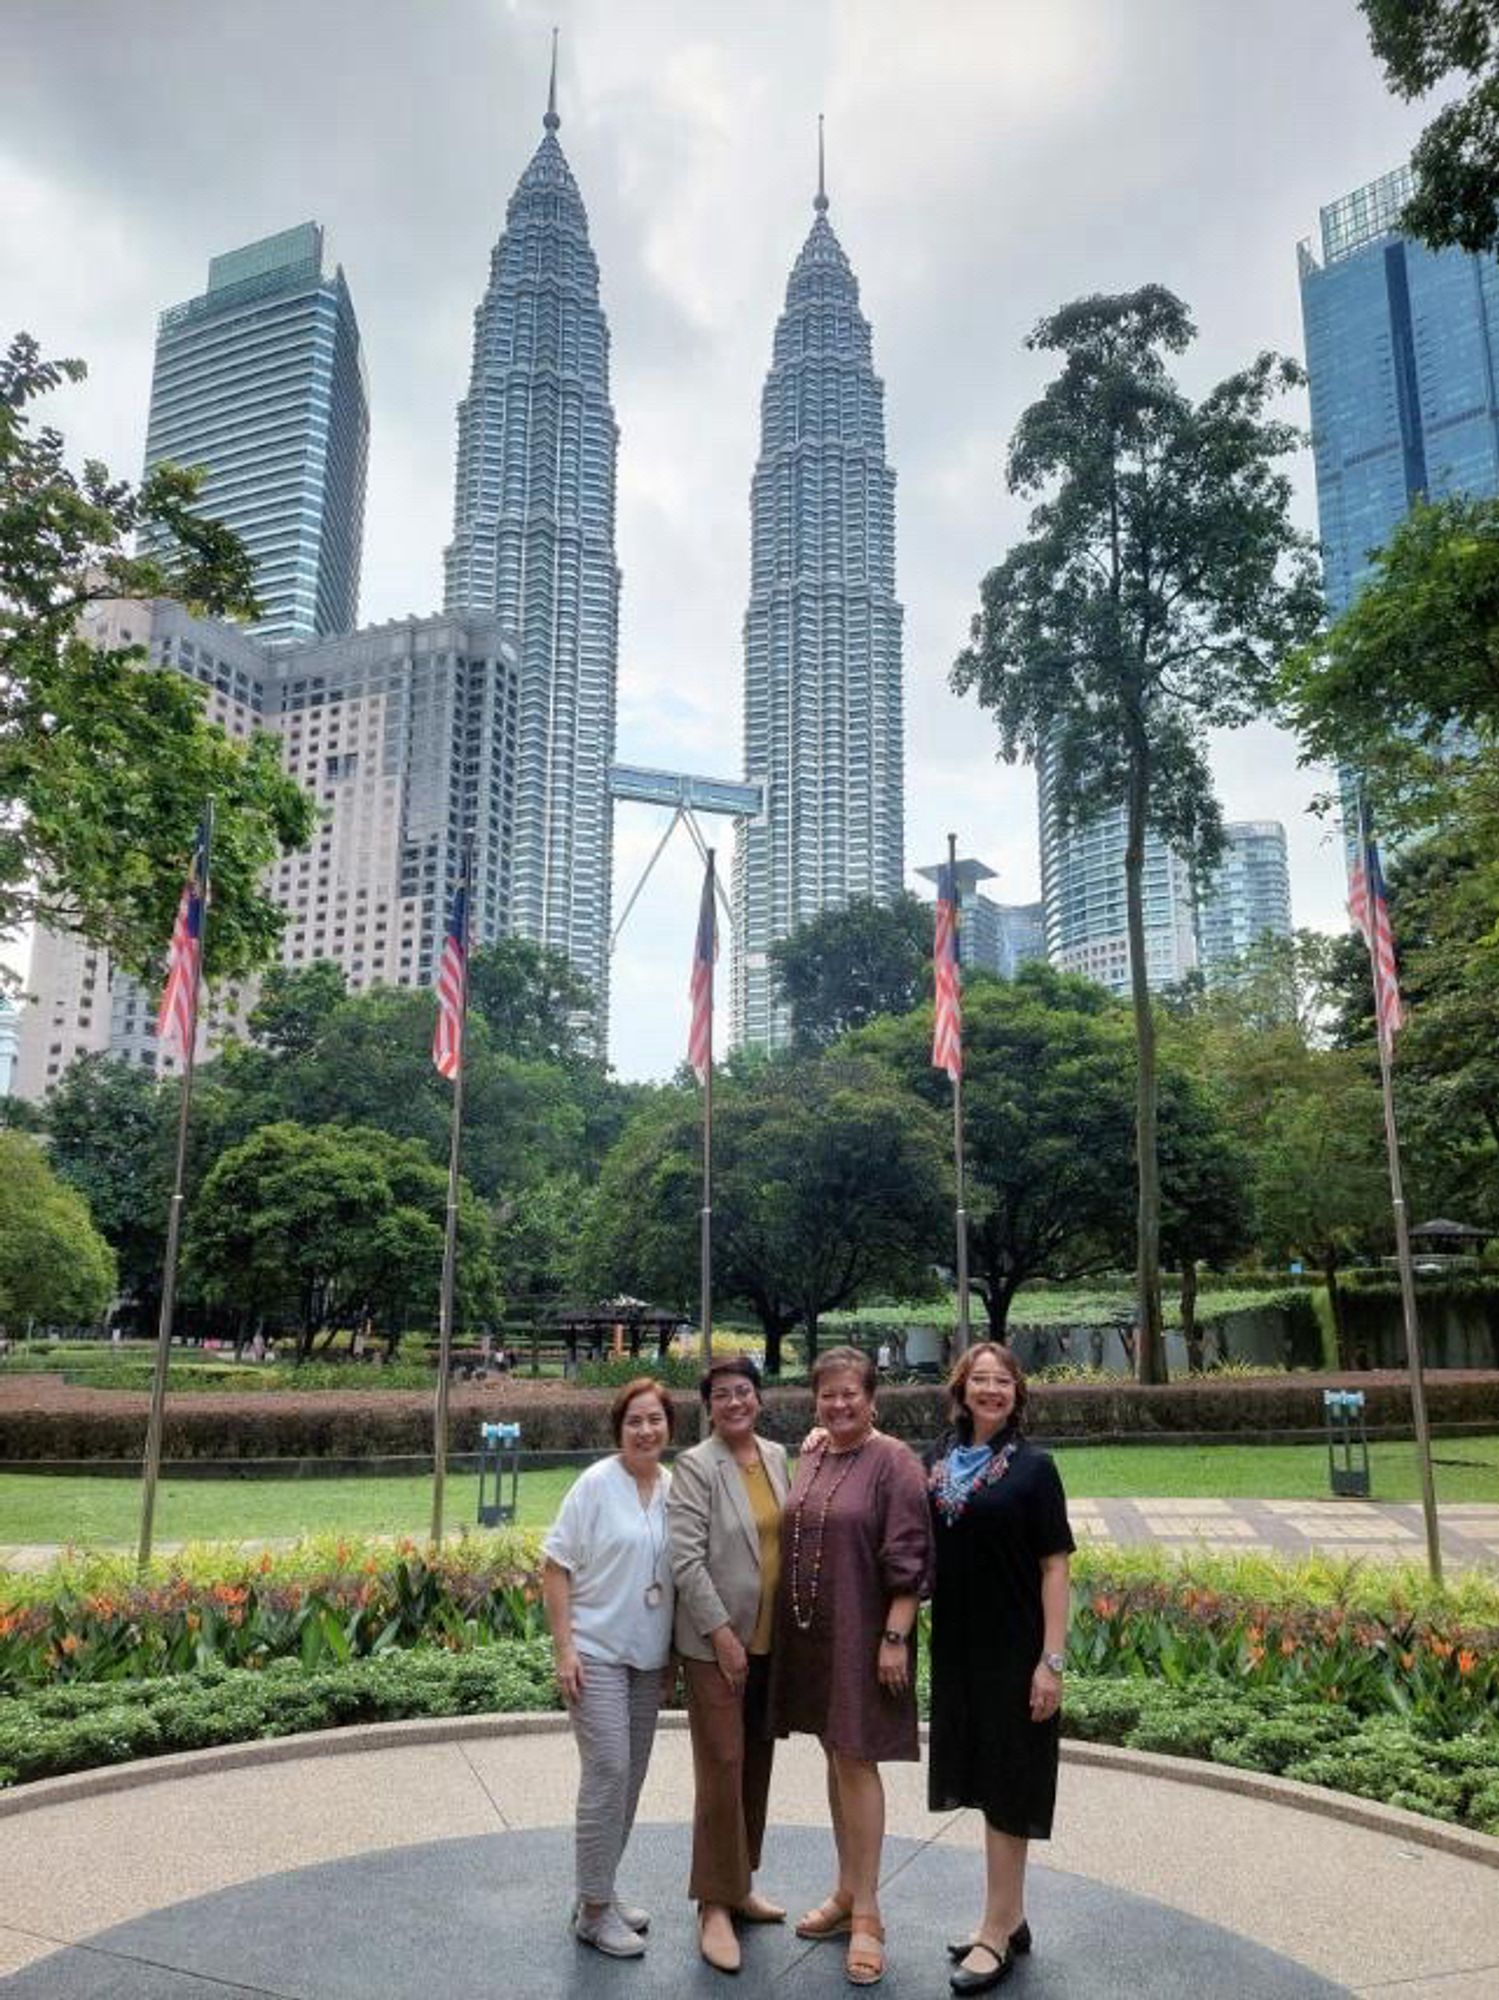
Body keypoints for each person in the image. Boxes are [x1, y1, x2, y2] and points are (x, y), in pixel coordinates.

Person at [769, 1345, 931, 1988]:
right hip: (817, 1636)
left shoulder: (894, 1461)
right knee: (836, 1756)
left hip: (868, 1635)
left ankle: (867, 1913)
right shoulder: (812, 1452)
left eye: (850, 1395)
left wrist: (895, 1637)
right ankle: (843, 1893)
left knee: (857, 1759)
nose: (839, 1404)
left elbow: (911, 1558)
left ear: (873, 1398)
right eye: (828, 1395)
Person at [926, 1343, 1073, 1996]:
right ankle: (1010, 1918)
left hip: (1016, 1654)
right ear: (960, 1390)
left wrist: (1050, 1661)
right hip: (958, 1650)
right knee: (983, 1780)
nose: (990, 1390)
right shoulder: (936, 1461)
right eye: (979, 1380)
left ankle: (993, 1932)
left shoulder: (1035, 1469)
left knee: (1010, 1784)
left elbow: (1055, 1566)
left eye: (1002, 1381)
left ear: (1017, 1393)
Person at [542, 1376, 676, 1961]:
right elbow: (554, 1566)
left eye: (655, 1420)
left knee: (631, 1777)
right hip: (595, 1653)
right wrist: (564, 1649)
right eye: (634, 1422)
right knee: (608, 1773)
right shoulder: (596, 1484)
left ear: (669, 1426)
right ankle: (594, 1914)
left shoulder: (675, 1487)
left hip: (647, 1658)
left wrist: (672, 1656)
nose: (646, 1430)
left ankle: (599, 1890)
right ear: (619, 1430)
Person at [668, 1354, 791, 1974]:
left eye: (744, 1391)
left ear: (759, 1398)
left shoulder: (775, 1456)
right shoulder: (696, 1466)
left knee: (757, 1765)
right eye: (722, 1395)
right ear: (709, 1406)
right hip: (716, 1645)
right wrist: (721, 1633)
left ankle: (741, 1885)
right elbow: (685, 1559)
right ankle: (712, 1905)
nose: (735, 1402)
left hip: (770, 1641)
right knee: (722, 1765)